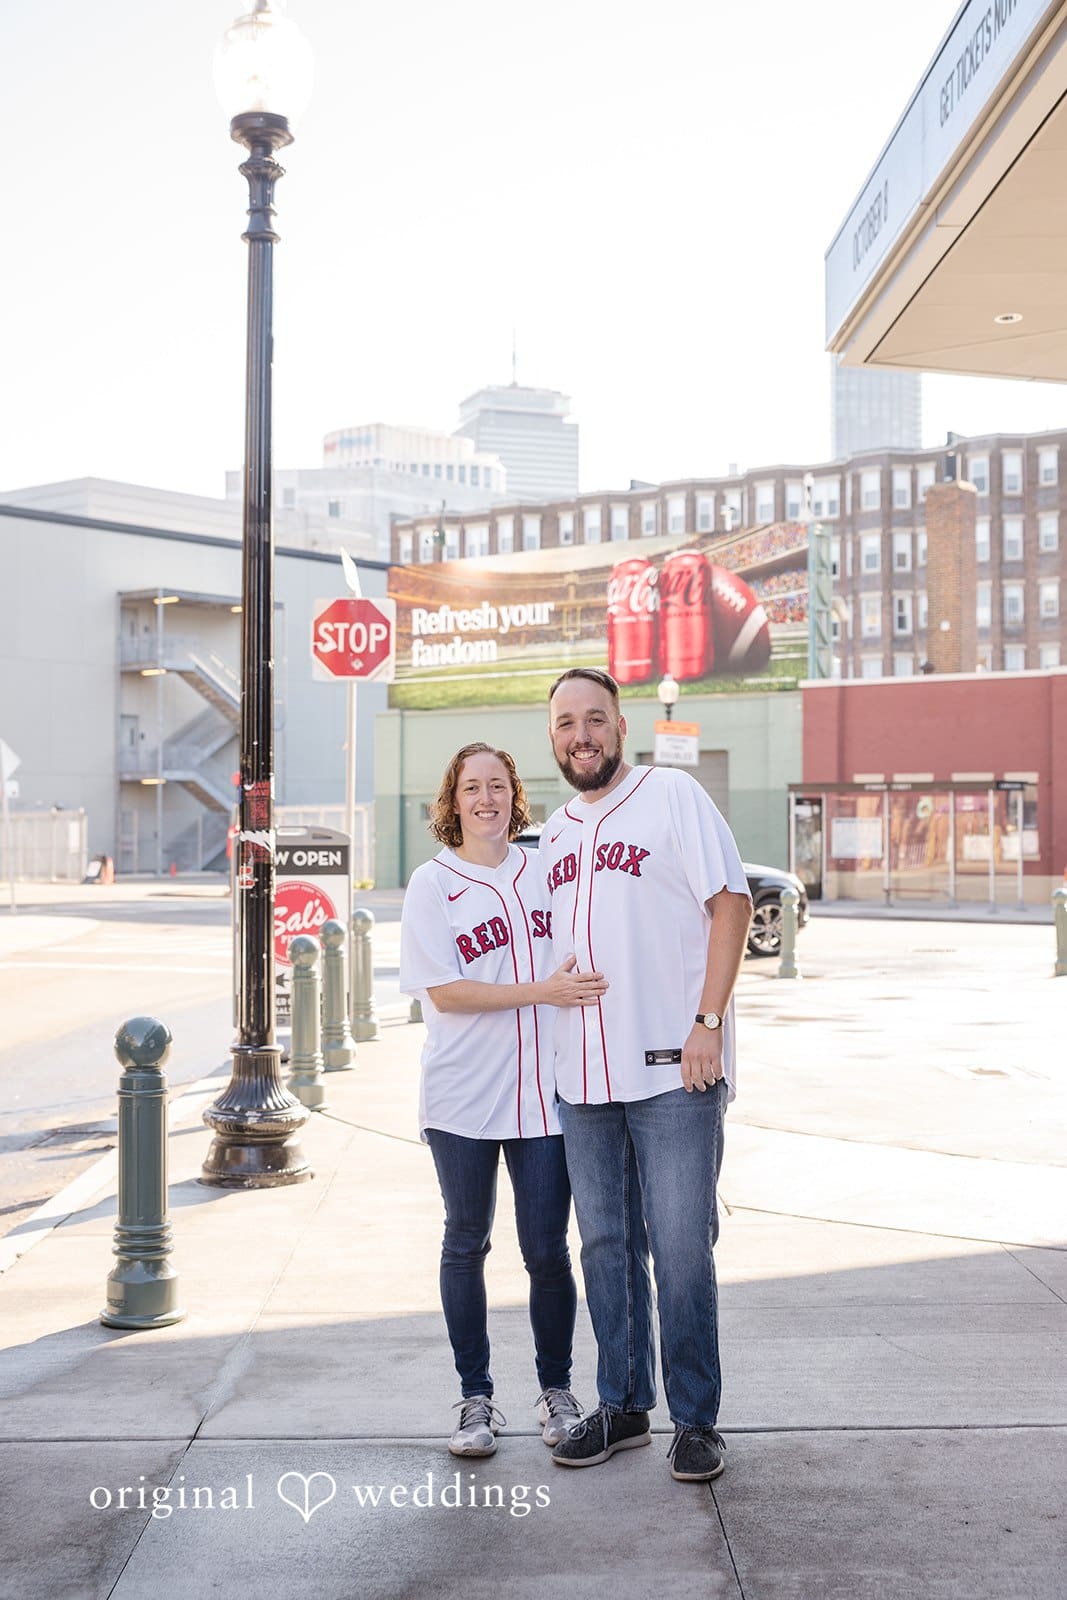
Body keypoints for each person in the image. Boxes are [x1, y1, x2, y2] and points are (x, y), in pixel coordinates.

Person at [539, 668, 753, 1483]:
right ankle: (624, 1406)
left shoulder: (671, 797)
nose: (581, 735)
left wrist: (707, 1024)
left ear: (620, 727)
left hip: (674, 1070)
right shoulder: (555, 832)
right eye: (566, 723)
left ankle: (694, 1420)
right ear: (552, 736)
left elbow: (727, 903)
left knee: (681, 1249)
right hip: (584, 1076)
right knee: (604, 1247)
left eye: (595, 719)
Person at [399, 741, 607, 1459]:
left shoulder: (546, 867)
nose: (485, 799)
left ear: (514, 795)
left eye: (496, 786)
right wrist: (541, 991)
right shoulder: (434, 883)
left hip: (545, 1097)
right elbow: (446, 993)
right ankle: (474, 1399)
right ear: (451, 802)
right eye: (470, 788)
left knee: (547, 1251)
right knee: (466, 1241)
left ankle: (556, 1391)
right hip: (462, 1096)